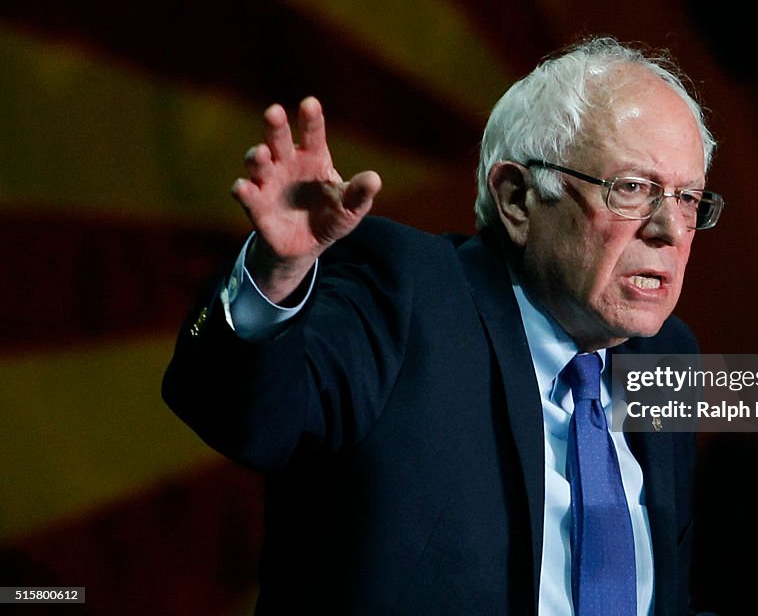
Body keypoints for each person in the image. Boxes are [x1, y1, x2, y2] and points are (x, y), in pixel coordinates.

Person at [163, 35, 723, 615]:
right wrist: (276, 276)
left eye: (689, 199)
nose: (670, 229)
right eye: (632, 188)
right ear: (517, 199)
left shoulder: (667, 359)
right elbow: (241, 416)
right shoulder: (409, 293)